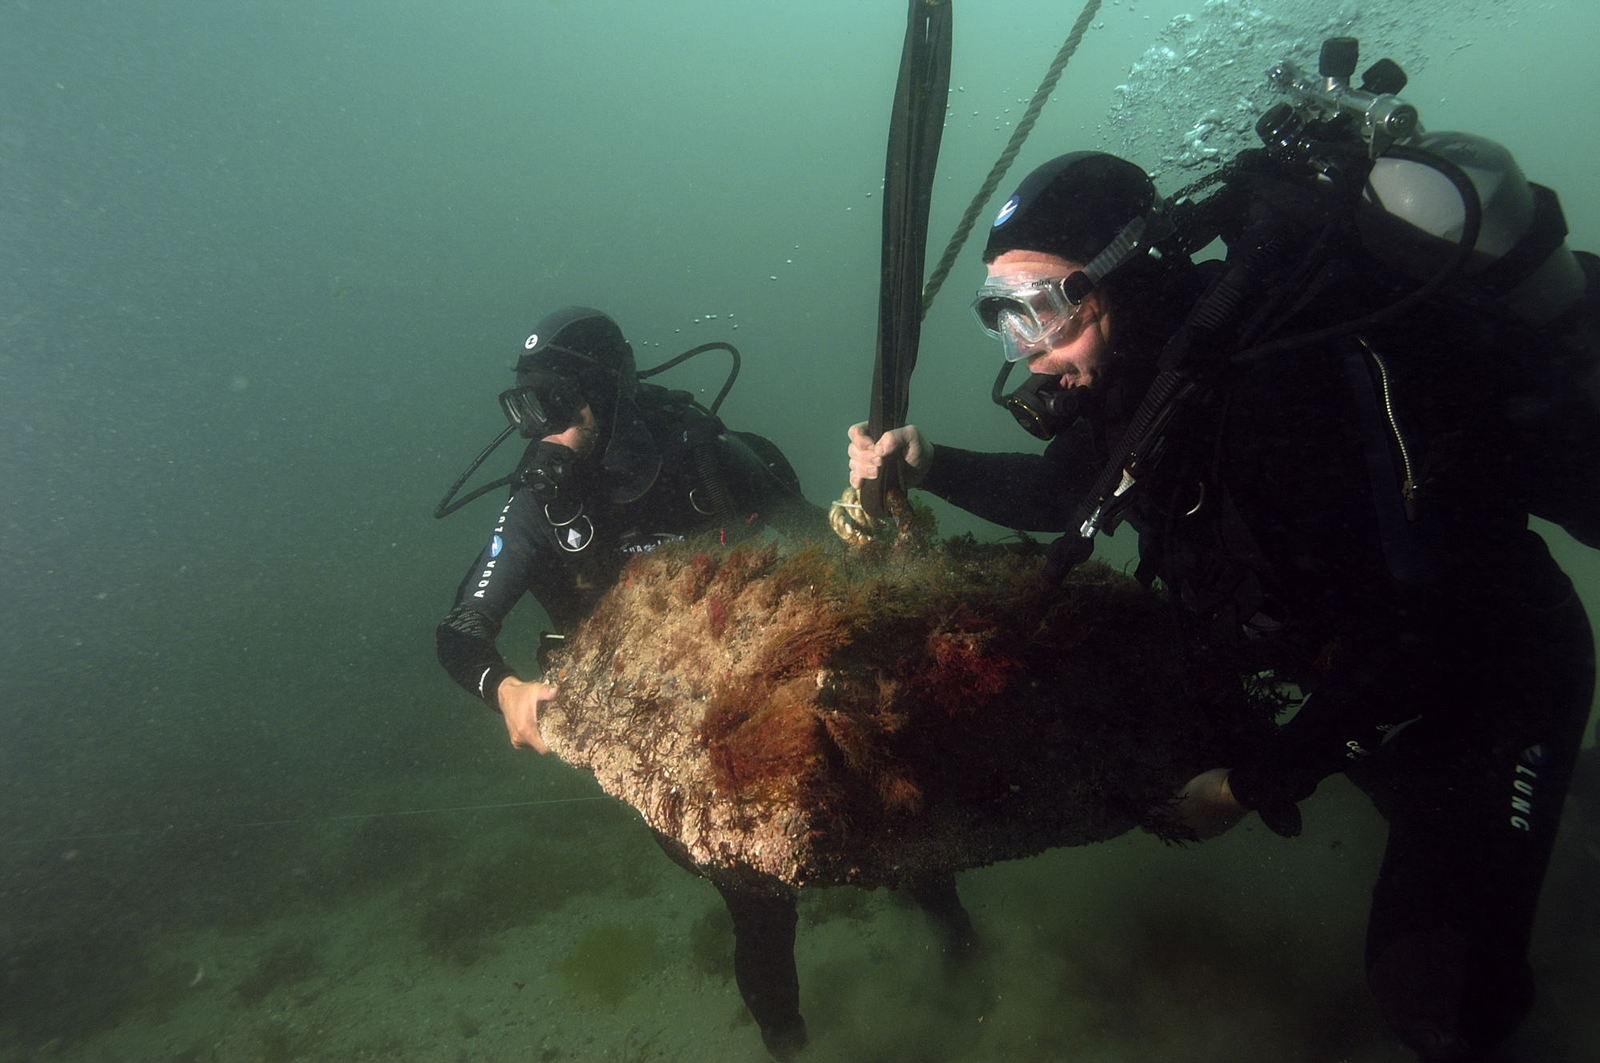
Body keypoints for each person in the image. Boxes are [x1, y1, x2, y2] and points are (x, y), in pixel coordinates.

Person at [847, 146, 1600, 1062]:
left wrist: (1248, 787)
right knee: (1435, 822)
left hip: (1491, 674)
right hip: (1360, 693)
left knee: (1432, 997)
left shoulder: (1275, 398)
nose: (1034, 354)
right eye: (1006, 320)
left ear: (1127, 274)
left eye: (1045, 308)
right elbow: (1064, 494)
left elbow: (1413, 641)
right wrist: (927, 464)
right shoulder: (1148, 384)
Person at [438, 306, 976, 1060]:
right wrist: (505, 689)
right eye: (527, 409)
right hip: (674, 734)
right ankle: (787, 1042)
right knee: (756, 901)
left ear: (608, 391)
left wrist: (867, 532)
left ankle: (964, 955)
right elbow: (461, 631)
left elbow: (817, 557)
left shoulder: (704, 457)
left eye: (558, 404)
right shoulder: (536, 505)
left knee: (895, 817)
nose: (542, 431)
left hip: (770, 693)